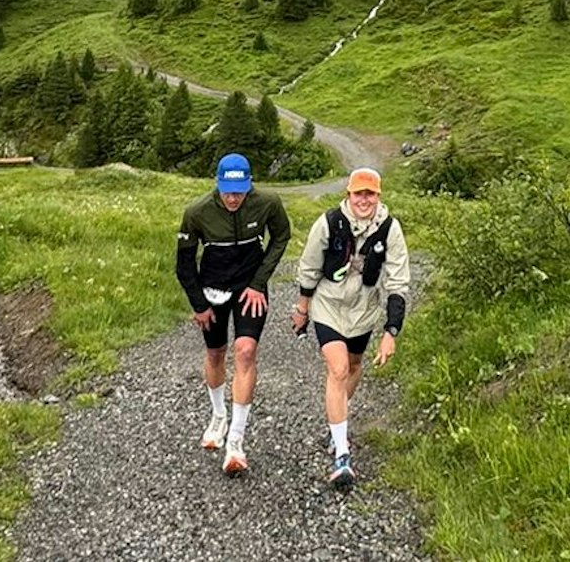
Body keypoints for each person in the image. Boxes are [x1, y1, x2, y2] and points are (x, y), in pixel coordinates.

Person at [291, 166, 410, 492]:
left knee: (354, 366)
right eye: (359, 193)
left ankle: (336, 422)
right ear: (349, 194)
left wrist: (391, 332)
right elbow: (309, 267)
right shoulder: (329, 223)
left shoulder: (389, 229)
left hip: (364, 312)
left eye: (370, 194)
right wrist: (302, 309)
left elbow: (398, 283)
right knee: (339, 368)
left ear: (378, 196)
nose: (364, 200)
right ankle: (342, 454)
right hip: (328, 307)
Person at [175, 151, 292, 475]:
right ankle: (218, 416)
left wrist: (259, 282)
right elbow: (184, 263)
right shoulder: (197, 212)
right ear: (218, 184)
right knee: (215, 353)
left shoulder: (267, 202)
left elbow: (281, 235)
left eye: (239, 192)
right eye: (227, 191)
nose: (233, 198)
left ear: (249, 187)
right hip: (212, 288)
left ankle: (236, 443)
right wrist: (198, 303)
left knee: (245, 351)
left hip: (249, 287)